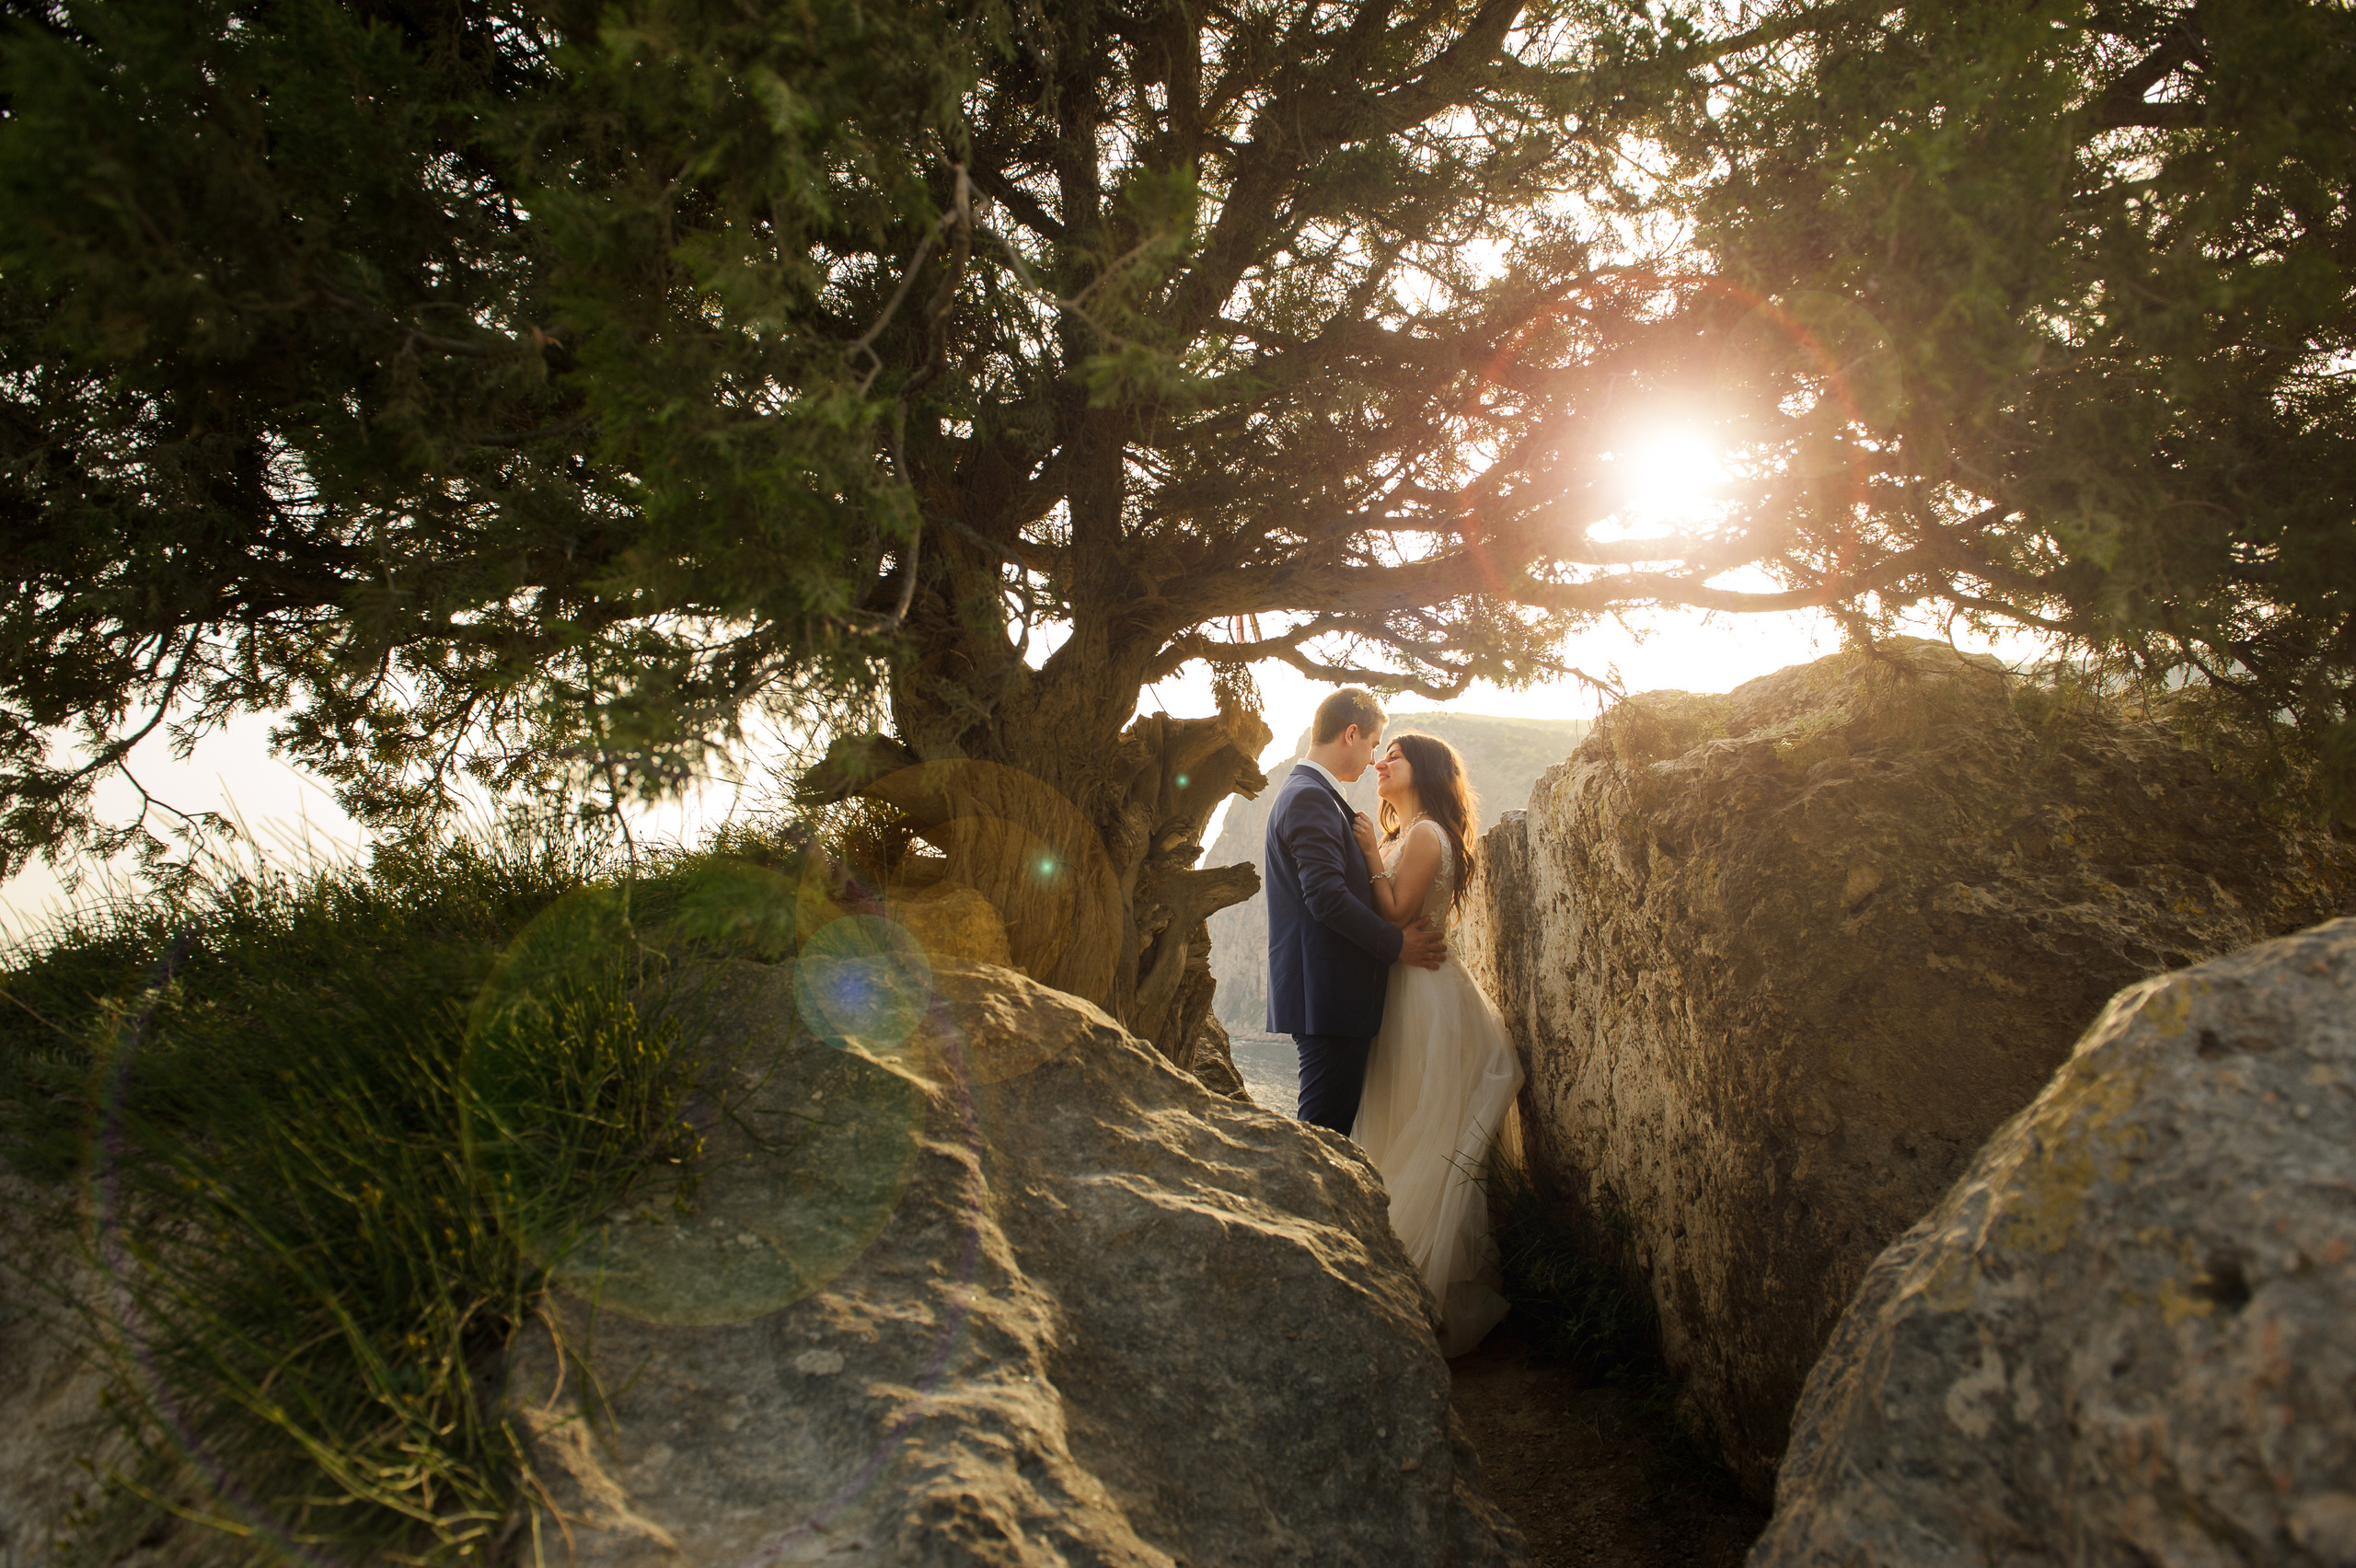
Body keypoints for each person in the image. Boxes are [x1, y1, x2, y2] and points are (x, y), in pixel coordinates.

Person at [1349, 732, 1525, 1357]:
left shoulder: (1422, 835)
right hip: (1404, 991)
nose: (1379, 763)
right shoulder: (1409, 834)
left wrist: (1371, 852)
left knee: (1418, 1131)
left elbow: (1396, 912)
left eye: (1391, 755)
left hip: (1423, 1000)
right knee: (1398, 1129)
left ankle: (1413, 1292)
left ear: (1420, 767)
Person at [1263, 688, 1447, 1136]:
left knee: (1326, 1129)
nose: (1371, 760)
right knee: (1324, 1135)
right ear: (1351, 733)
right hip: (1331, 995)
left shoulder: (1309, 793)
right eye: (1371, 744)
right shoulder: (1309, 797)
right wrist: (1397, 945)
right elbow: (1325, 897)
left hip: (1329, 995)